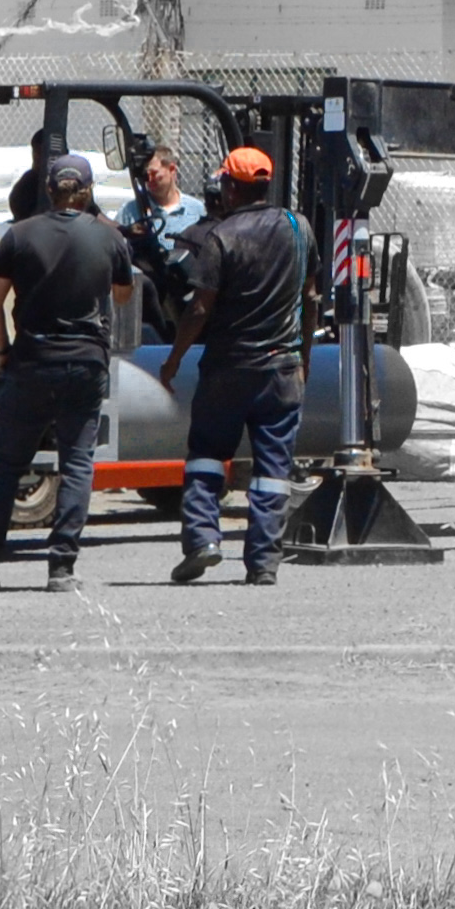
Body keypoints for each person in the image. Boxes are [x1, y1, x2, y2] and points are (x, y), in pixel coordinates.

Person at [0, 155, 134, 593]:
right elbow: (123, 295)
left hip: (32, 361)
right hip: (87, 363)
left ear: (50, 190)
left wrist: (2, 350)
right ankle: (61, 569)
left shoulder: (20, 236)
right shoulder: (109, 239)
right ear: (88, 192)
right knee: (77, 463)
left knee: (7, 465)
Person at [156, 144, 313, 586]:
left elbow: (199, 309)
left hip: (227, 368)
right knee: (273, 470)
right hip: (281, 369)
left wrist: (173, 359)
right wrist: (302, 358)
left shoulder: (220, 237)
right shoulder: (297, 227)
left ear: (228, 186)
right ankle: (263, 564)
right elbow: (311, 297)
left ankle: (203, 540)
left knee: (207, 455)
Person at [121, 143, 206, 329]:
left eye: (154, 173)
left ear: (172, 169)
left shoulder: (196, 210)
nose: (149, 179)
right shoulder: (131, 211)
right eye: (146, 175)